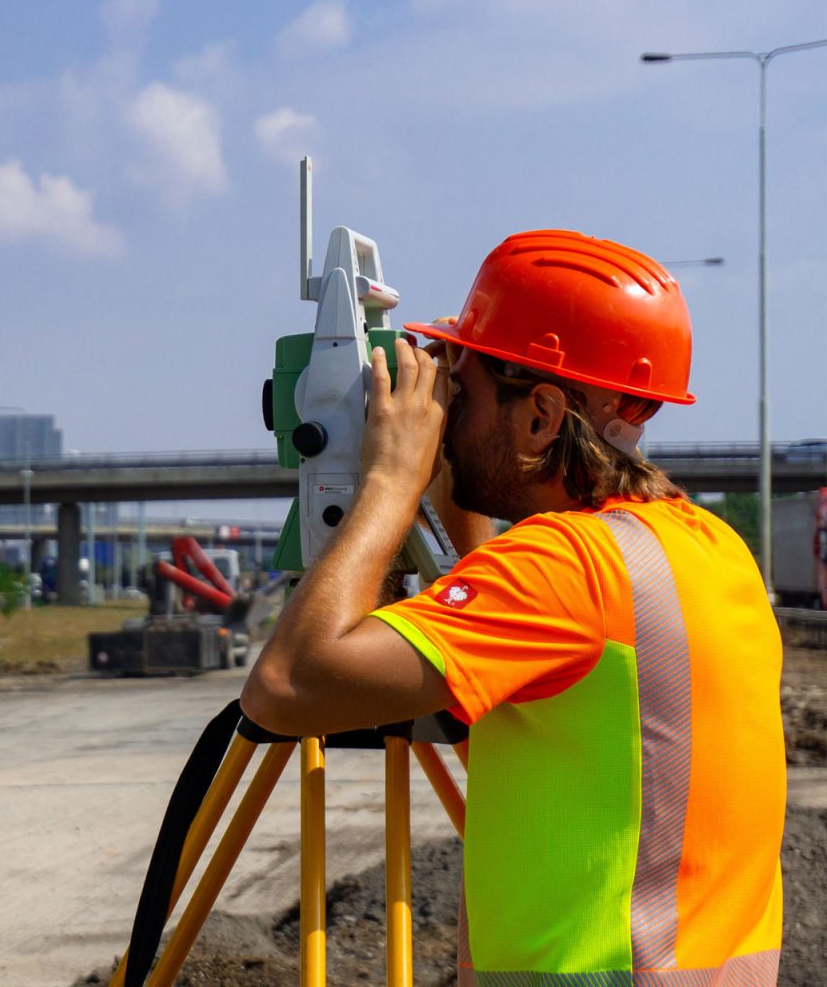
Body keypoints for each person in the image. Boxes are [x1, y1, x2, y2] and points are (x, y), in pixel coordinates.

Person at [241, 230, 785, 983]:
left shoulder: (560, 571)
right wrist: (452, 473)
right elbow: (505, 642)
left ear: (541, 416)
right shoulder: (705, 546)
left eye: (460, 391)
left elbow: (286, 688)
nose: (443, 412)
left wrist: (390, 482)